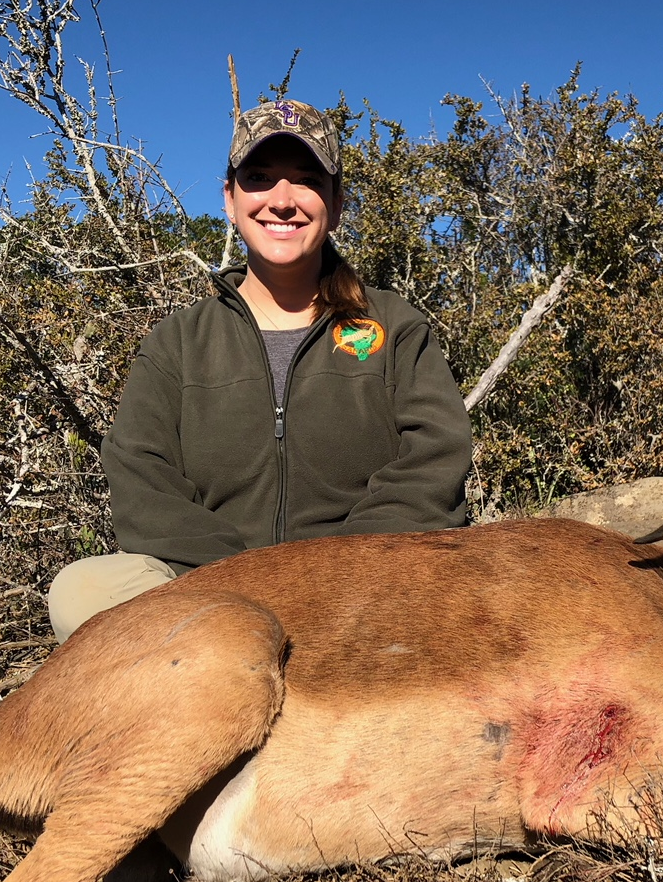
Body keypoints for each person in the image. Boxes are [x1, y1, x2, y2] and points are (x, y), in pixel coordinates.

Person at [47, 98, 472, 641]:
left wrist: (338, 568)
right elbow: (140, 483)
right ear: (230, 199)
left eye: (306, 180)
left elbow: (434, 458)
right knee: (82, 594)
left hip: (371, 578)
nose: (283, 201)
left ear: (336, 204)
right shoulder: (178, 343)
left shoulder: (395, 327)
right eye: (260, 178)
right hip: (215, 585)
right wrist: (248, 578)